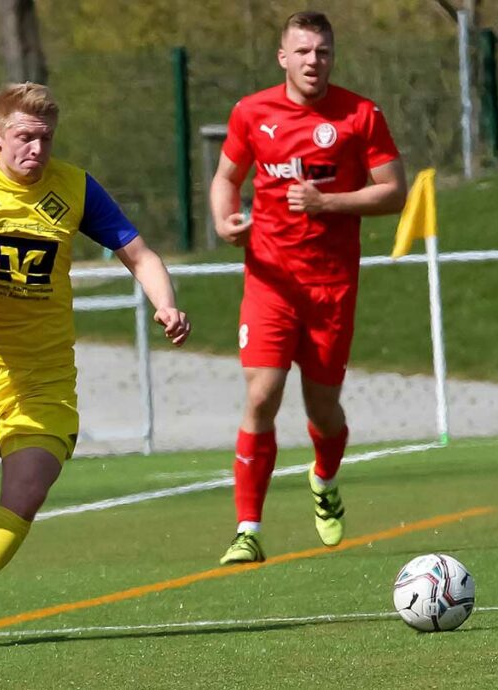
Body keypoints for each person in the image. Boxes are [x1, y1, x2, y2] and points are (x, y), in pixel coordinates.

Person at [0, 82, 191, 651]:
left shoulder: (75, 186)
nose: (37, 149)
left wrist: (165, 303)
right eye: (25, 137)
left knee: (24, 498)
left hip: (46, 380)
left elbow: (138, 251)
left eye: (46, 138)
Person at [209, 11, 407, 565]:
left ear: (332, 57)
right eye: (302, 52)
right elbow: (227, 178)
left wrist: (330, 203)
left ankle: (324, 478)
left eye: (321, 52)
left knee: (323, 411)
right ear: (283, 57)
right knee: (261, 395)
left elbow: (395, 192)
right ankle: (248, 529)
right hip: (270, 281)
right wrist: (225, 221)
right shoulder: (252, 112)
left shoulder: (360, 115)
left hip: (332, 286)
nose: (312, 61)